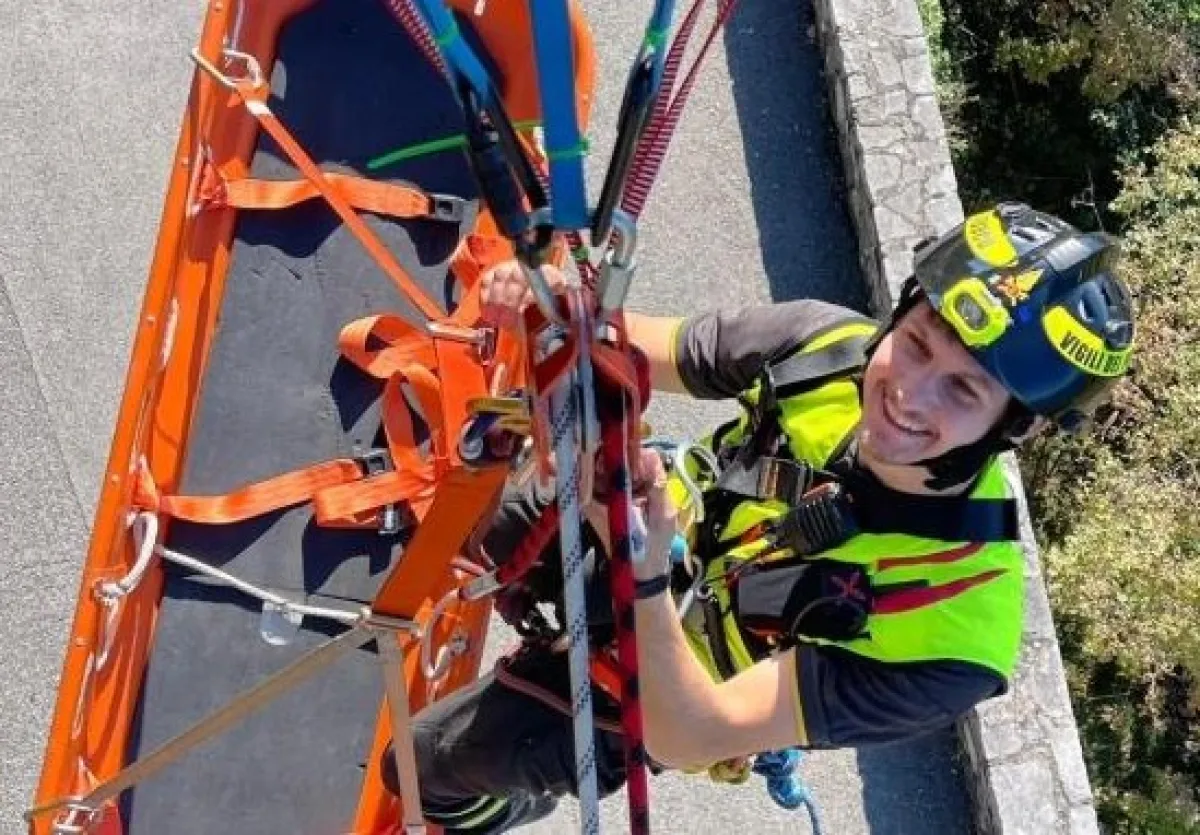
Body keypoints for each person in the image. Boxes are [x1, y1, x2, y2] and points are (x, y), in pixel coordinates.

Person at [381, 202, 1136, 831]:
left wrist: (642, 572)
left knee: (417, 767)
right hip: (646, 514)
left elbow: (688, 734)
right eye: (914, 344)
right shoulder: (827, 347)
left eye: (963, 391)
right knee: (477, 526)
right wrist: (558, 304)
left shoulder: (955, 632)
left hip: (663, 686)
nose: (908, 392)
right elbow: (647, 346)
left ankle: (495, 806)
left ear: (1016, 427)